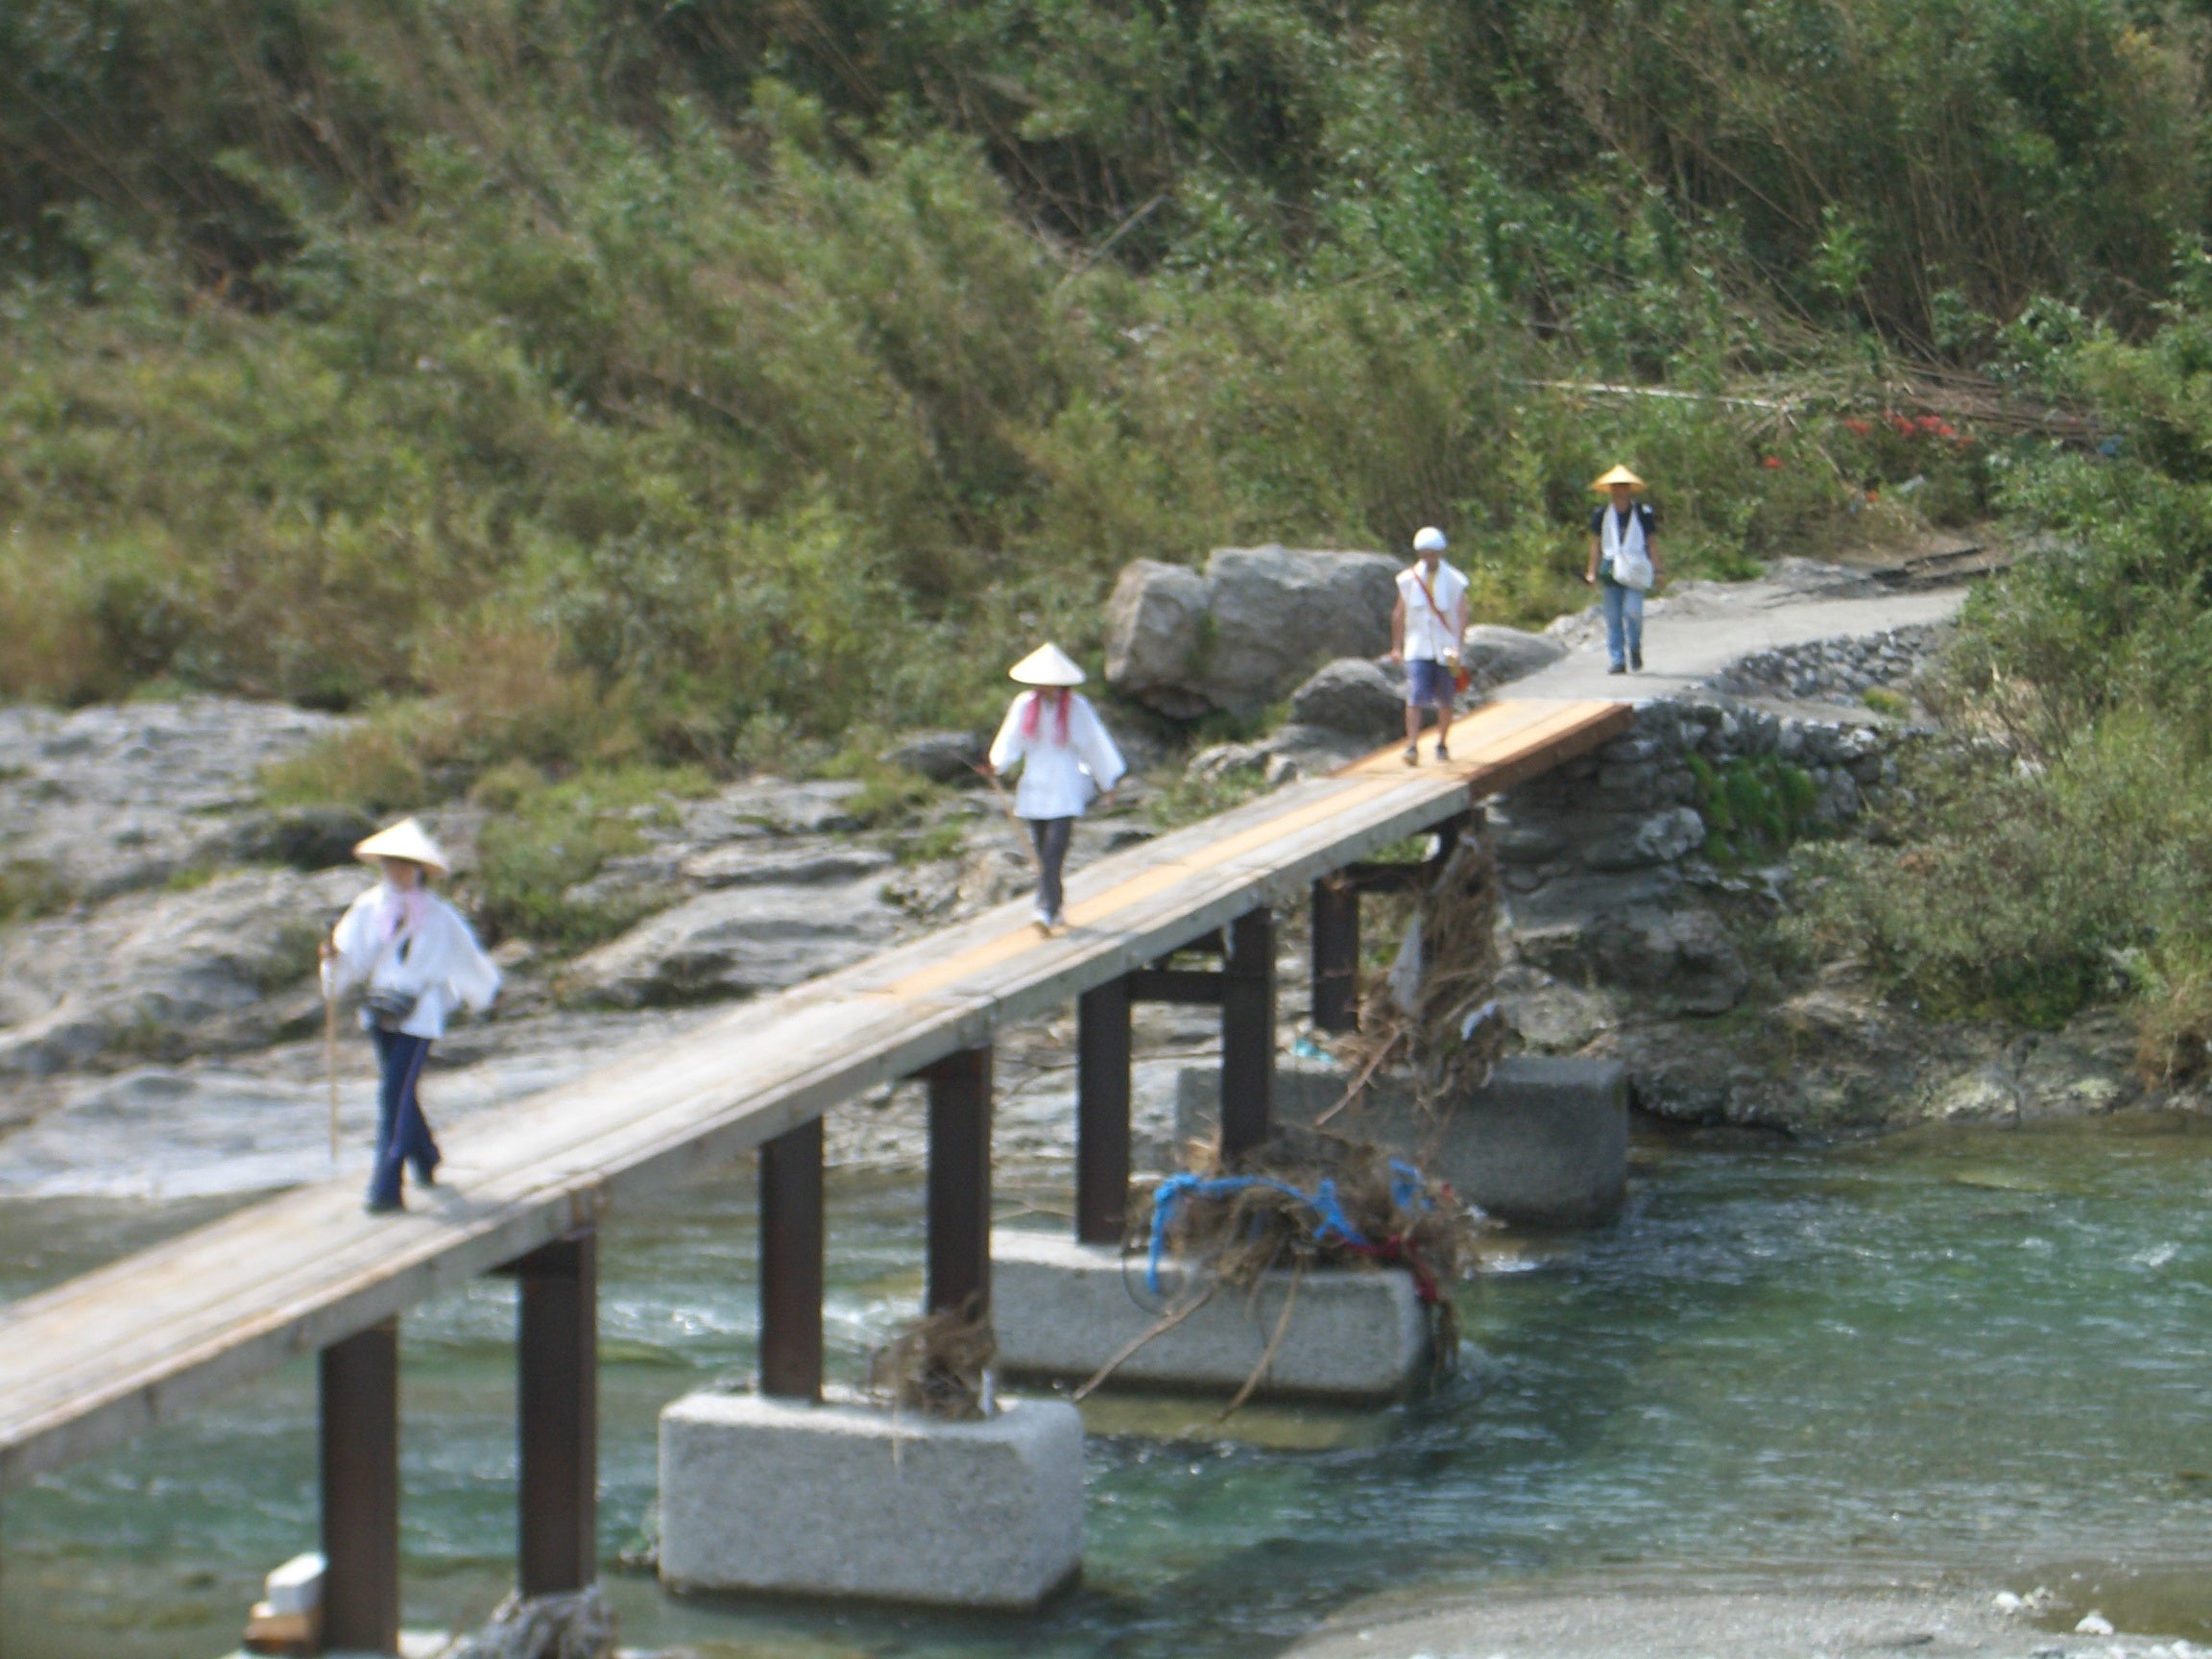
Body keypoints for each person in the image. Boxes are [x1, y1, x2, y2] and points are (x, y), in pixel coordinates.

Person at [321, 818, 500, 1214]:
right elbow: (350, 953)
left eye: (403, 863)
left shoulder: (440, 916)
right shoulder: (369, 908)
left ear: (419, 869)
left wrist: (482, 997)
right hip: (382, 1011)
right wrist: (334, 961)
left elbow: (468, 960)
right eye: (389, 863)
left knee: (392, 1095)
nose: (396, 871)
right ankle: (426, 1156)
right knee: (400, 1093)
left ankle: (386, 1186)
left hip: (420, 1014)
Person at [985, 643, 1127, 930]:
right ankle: (1055, 903)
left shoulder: (1077, 707)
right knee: (1041, 851)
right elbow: (1011, 741)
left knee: (1054, 851)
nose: (1046, 687)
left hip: (1065, 785)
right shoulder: (1025, 705)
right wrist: (995, 765)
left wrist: (1107, 782)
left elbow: (1094, 745)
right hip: (1035, 785)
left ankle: (1044, 908)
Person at [1388, 525, 1469, 764]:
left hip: (1446, 648)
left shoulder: (1455, 580)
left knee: (1446, 698)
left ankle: (1442, 744)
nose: (1428, 558)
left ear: (1441, 552)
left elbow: (1462, 613)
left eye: (1432, 553)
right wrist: (1396, 647)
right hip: (1417, 647)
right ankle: (1412, 746)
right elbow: (1399, 613)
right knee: (1415, 696)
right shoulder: (1407, 580)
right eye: (1424, 554)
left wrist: (1458, 645)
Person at [1585, 465, 1661, 674]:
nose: (1619, 490)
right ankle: (1617, 659)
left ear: (1629, 489)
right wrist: (1591, 571)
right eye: (1615, 486)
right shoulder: (1601, 514)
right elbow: (1596, 544)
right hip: (1611, 567)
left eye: (1623, 486)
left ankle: (1635, 647)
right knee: (1612, 616)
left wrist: (1658, 570)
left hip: (1635, 566)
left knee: (1633, 612)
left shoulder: (1643, 513)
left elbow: (1651, 542)